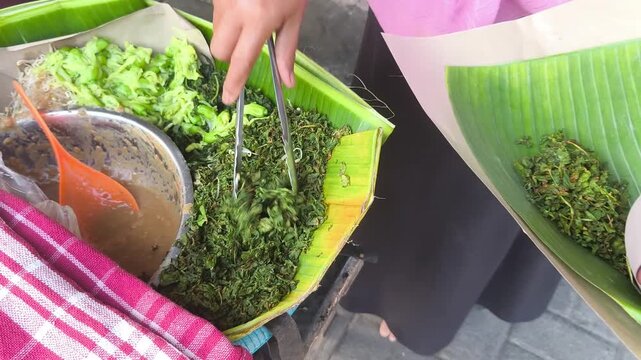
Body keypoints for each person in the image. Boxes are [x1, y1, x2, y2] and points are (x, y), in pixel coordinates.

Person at [211, 0, 571, 356]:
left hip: (570, 43)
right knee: (406, 170)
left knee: (491, 202)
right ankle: (396, 302)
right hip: (428, 22)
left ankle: (427, 310)